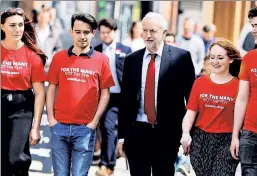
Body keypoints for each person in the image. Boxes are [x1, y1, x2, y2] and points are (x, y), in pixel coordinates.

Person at [118, 12, 195, 176]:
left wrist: (188, 133)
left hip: (167, 133)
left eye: (152, 31)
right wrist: (122, 136)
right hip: (137, 132)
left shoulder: (181, 58)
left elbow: (191, 99)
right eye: (144, 30)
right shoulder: (132, 60)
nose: (147, 35)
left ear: (164, 33)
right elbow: (125, 101)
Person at [46, 13, 115, 176]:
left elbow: (105, 93)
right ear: (71, 32)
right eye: (78, 32)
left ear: (93, 33)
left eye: (86, 32)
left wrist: (94, 122)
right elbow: (51, 89)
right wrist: (51, 119)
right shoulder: (59, 57)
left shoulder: (102, 60)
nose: (82, 36)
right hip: (59, 127)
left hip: (85, 129)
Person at [180, 40, 241, 176]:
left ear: (230, 59)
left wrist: (236, 138)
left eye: (220, 58)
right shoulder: (200, 82)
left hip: (227, 140)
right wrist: (185, 133)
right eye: (212, 57)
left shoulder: (239, 85)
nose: (215, 62)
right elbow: (190, 113)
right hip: (200, 140)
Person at [1, 7, 47, 176]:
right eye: (12, 25)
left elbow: (40, 93)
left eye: (20, 25)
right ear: (2, 26)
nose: (18, 29)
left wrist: (36, 127)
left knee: (16, 158)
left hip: (22, 109)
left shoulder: (32, 56)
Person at [94, 18, 132, 176]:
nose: (105, 35)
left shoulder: (125, 50)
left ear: (114, 32)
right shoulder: (95, 50)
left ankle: (109, 163)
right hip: (104, 96)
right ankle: (107, 163)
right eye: (102, 32)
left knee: (114, 129)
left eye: (108, 32)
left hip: (122, 96)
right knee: (105, 129)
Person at [230, 7, 257, 176]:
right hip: (250, 134)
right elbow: (242, 98)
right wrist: (235, 136)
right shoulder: (249, 58)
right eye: (253, 25)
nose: (254, 30)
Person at [34, 8, 62, 72]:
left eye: (45, 18)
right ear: (38, 17)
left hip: (48, 67)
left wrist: (52, 59)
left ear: (49, 19)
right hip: (32, 65)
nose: (43, 19)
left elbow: (58, 48)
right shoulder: (31, 31)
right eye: (41, 17)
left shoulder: (55, 32)